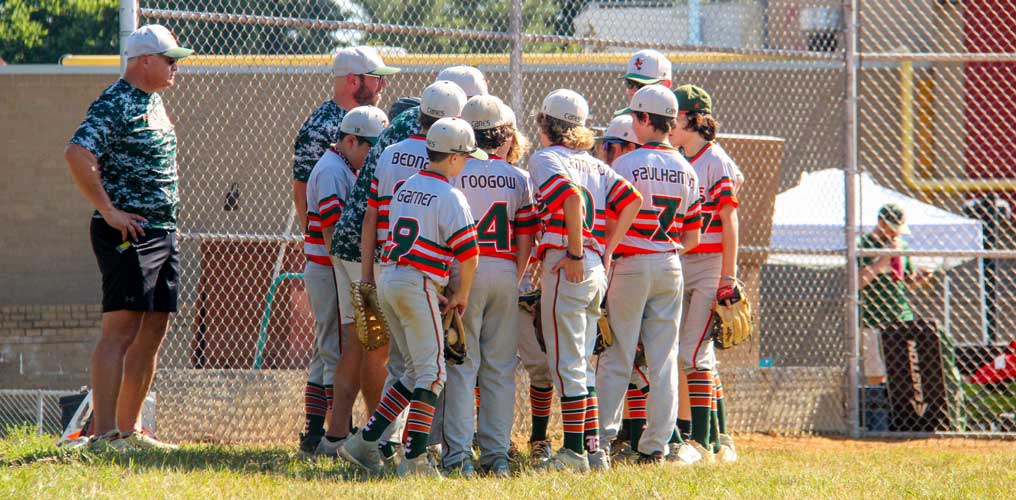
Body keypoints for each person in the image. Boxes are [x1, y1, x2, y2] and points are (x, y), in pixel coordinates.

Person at [64, 24, 194, 451]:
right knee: (121, 329)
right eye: (169, 60)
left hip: (161, 231)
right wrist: (109, 210)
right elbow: (77, 152)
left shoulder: (154, 101)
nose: (176, 67)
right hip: (128, 231)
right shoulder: (115, 101)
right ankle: (103, 435)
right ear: (144, 60)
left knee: (154, 329)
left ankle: (129, 431)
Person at [340, 118, 483, 478]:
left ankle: (364, 443)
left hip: (391, 277)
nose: (466, 163)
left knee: (411, 372)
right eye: (465, 157)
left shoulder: (406, 186)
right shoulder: (451, 195)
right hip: (417, 282)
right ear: (453, 157)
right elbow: (470, 254)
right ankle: (415, 459)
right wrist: (462, 294)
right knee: (433, 375)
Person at [529, 89, 642, 472]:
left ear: (546, 122)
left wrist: (576, 253)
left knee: (568, 364)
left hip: (569, 261)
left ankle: (574, 452)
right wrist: (606, 251)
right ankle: (594, 450)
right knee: (581, 364)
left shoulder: (546, 157)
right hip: (593, 266)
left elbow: (572, 199)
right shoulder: (593, 162)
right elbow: (633, 200)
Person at [597, 85, 704, 465]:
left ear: (644, 118)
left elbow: (610, 219)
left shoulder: (626, 164)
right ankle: (656, 444)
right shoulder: (688, 169)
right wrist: (663, 251)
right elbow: (693, 236)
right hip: (670, 263)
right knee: (664, 358)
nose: (633, 123)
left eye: (635, 117)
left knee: (617, 355)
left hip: (630, 263)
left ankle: (601, 440)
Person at [440, 96, 539, 477]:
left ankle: (459, 455)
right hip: (505, 270)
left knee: (462, 366)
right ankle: (496, 454)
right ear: (504, 134)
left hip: (462, 271)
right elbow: (526, 237)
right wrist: (515, 276)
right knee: (500, 367)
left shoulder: (455, 171)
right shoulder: (518, 177)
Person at [300, 106, 389, 456]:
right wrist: (350, 272)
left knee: (339, 348)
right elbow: (331, 232)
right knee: (335, 350)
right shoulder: (332, 170)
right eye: (371, 147)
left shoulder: (346, 166)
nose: (374, 156)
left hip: (334, 268)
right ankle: (328, 433)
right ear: (351, 141)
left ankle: (332, 432)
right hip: (328, 268)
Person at [668, 84, 743, 463]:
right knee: (697, 352)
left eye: (675, 117)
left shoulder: (715, 159)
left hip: (711, 264)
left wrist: (728, 277)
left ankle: (701, 441)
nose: (670, 125)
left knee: (692, 352)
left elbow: (730, 219)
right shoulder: (682, 158)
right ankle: (719, 438)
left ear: (691, 119)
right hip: (685, 260)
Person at [292, 46, 399, 230]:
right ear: (353, 81)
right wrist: (318, 240)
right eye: (377, 78)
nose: (384, 84)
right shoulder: (322, 127)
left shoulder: (369, 119)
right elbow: (302, 190)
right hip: (336, 235)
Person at [858, 203, 933, 385]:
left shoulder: (902, 246)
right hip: (874, 318)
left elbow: (906, 283)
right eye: (891, 228)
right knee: (877, 372)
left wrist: (921, 277)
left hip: (900, 316)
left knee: (905, 370)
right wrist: (885, 258)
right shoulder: (864, 245)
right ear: (881, 223)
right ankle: (879, 401)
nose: (895, 233)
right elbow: (858, 282)